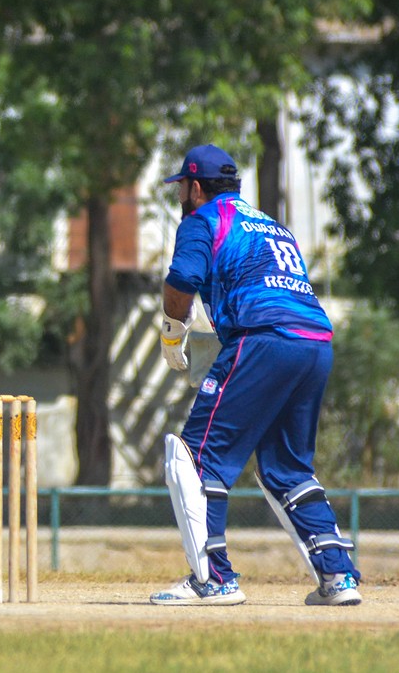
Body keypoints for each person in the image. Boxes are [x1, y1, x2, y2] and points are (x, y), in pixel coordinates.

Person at [151, 143, 360, 606]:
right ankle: (338, 577)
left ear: (196, 187)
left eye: (181, 187)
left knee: (194, 456)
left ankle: (214, 580)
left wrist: (172, 332)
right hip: (314, 343)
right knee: (287, 468)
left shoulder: (202, 220)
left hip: (262, 338)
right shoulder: (272, 225)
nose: (180, 195)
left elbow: (182, 281)